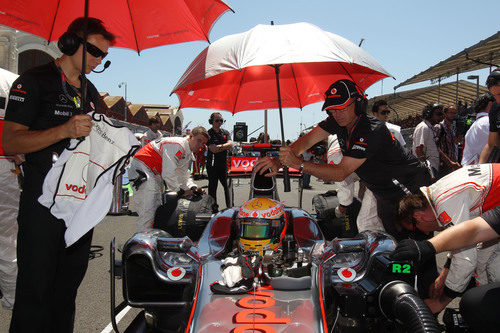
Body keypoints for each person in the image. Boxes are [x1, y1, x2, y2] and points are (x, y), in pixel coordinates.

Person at [2, 17, 114, 332]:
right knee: (35, 291)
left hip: (79, 206)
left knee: (66, 292)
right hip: (41, 202)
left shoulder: (91, 92)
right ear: (70, 44)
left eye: (103, 56)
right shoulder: (33, 80)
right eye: (94, 51)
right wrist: (63, 129)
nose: (98, 59)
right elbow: (10, 141)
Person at [255, 79, 431, 239]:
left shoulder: (371, 130)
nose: (336, 113)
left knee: (417, 247)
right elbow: (307, 141)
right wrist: (279, 162)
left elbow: (340, 173)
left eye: (342, 107)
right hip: (383, 192)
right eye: (332, 108)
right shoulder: (337, 121)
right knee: (391, 243)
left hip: (409, 190)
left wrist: (299, 164)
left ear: (359, 104)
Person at [393, 163, 500, 314]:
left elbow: (466, 260)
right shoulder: (439, 190)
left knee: (494, 269)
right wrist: (444, 275)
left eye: (417, 230)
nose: (424, 234)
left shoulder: (445, 203)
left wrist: (441, 301)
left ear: (418, 217)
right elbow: (463, 238)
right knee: (482, 265)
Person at [128, 126, 209, 232]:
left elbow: (183, 175)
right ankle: (141, 243)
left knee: (156, 210)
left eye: (203, 143)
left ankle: (150, 238)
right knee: (148, 209)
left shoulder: (187, 152)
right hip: (143, 168)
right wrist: (180, 192)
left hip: (153, 173)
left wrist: (193, 188)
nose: (200, 145)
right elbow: (169, 173)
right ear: (191, 136)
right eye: (199, 140)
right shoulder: (177, 145)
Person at [0, 68, 20, 310]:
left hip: (7, 161)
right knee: (7, 239)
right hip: (7, 165)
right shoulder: (13, 80)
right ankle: (13, 298)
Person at [207, 112, 233, 212]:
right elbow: (213, 149)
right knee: (212, 189)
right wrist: (224, 146)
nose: (219, 122)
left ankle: (230, 207)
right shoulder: (208, 133)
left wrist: (219, 147)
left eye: (221, 120)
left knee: (227, 188)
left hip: (223, 165)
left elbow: (231, 144)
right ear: (211, 121)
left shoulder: (225, 132)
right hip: (212, 165)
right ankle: (213, 210)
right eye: (217, 120)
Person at [461, 93, 495, 165]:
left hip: (471, 170)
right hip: (481, 172)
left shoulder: (475, 125)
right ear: (491, 104)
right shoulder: (488, 121)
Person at [412, 103, 444, 176]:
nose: (441, 116)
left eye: (442, 114)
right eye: (438, 114)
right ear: (429, 114)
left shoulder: (430, 127)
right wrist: (427, 169)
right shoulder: (424, 127)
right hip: (428, 169)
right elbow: (419, 149)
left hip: (433, 167)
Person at [479, 69, 500, 163]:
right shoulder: (495, 109)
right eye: (494, 96)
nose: (498, 100)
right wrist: (479, 168)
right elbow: (491, 144)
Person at [436, 104, 461, 175]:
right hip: (444, 164)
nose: (454, 115)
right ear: (445, 113)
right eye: (451, 113)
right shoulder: (439, 127)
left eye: (455, 113)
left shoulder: (452, 128)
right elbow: (436, 147)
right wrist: (448, 161)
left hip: (453, 163)